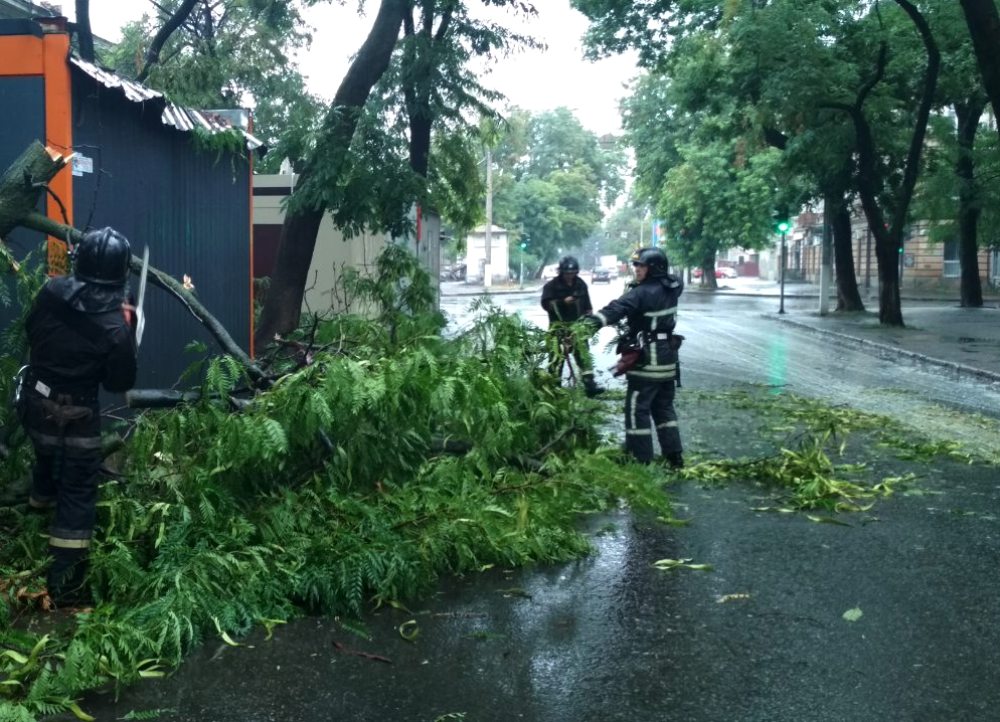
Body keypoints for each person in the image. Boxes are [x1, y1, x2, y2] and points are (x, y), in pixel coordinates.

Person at [20, 227, 138, 605]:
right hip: (78, 420)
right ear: (121, 272)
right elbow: (119, 381)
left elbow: (30, 331)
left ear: (79, 260)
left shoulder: (50, 292)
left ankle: (35, 513)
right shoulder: (116, 326)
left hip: (35, 407)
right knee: (77, 493)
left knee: (45, 456)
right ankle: (65, 585)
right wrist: (129, 333)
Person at [585, 247, 685, 467]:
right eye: (636, 265)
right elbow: (674, 280)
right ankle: (674, 457)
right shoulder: (674, 287)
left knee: (637, 409)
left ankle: (640, 459)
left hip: (648, 362)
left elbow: (616, 309)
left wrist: (588, 325)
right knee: (664, 409)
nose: (636, 269)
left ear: (654, 268)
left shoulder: (641, 293)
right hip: (668, 360)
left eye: (641, 265)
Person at [540, 255, 604, 397]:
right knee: (557, 359)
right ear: (561, 272)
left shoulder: (581, 284)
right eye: (567, 273)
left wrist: (588, 319)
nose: (570, 276)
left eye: (573, 273)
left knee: (584, 357)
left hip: (578, 327)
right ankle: (554, 388)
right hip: (558, 328)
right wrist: (562, 302)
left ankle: (590, 385)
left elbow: (587, 305)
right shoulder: (551, 286)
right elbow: (546, 305)